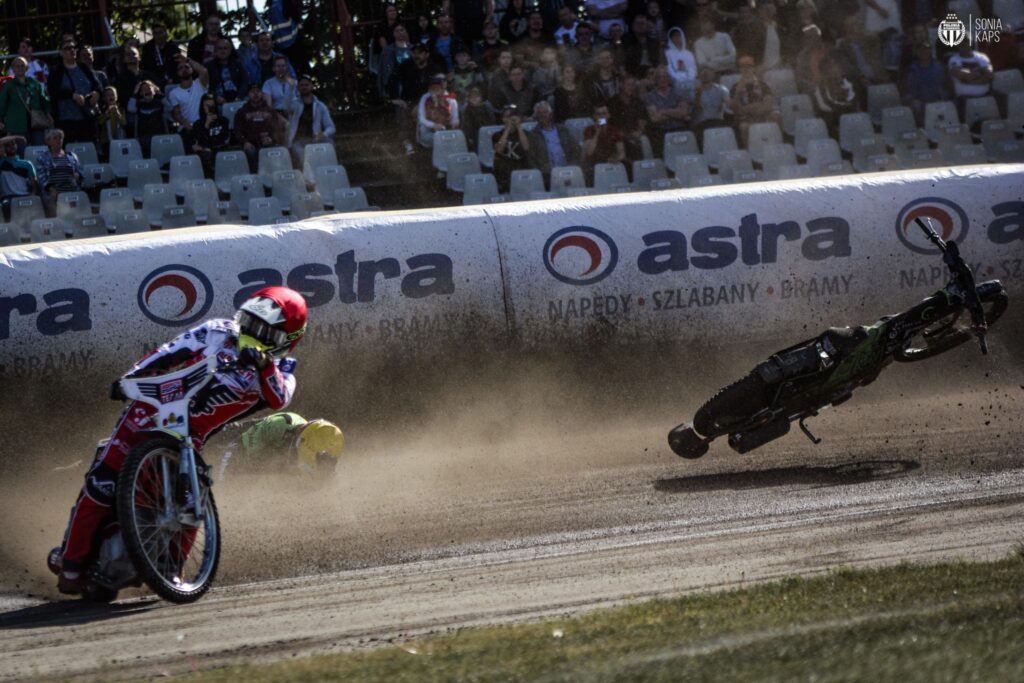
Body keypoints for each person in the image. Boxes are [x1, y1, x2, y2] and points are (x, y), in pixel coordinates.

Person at [48, 286, 308, 595]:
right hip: (148, 412)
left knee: (192, 499)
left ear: (286, 339)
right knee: (101, 484)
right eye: (250, 323)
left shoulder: (282, 371)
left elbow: (279, 399)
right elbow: (168, 352)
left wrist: (263, 365)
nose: (251, 332)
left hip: (189, 436)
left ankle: (173, 569)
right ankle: (71, 562)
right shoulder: (217, 330)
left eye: (264, 331)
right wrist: (131, 377)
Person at [216, 413, 345, 479]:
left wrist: (324, 468)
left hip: (257, 447)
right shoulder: (278, 426)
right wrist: (284, 469)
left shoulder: (309, 435)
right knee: (224, 481)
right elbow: (253, 457)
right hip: (237, 447)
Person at [48, 39, 103, 144]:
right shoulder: (56, 71)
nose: (72, 50)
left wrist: (96, 93)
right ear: (61, 52)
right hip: (66, 119)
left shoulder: (84, 67)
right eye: (68, 48)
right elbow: (53, 91)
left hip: (87, 117)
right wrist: (72, 95)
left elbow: (97, 85)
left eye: (74, 48)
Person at [0, 56, 52, 149]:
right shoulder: (9, 85)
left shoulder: (34, 83)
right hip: (16, 124)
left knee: (39, 149)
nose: (20, 68)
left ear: (27, 68)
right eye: (17, 66)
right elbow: (2, 103)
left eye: (22, 66)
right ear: (13, 69)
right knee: (21, 151)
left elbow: (44, 99)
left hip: (36, 123)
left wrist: (48, 114)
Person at [286, 75, 336, 167]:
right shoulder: (295, 104)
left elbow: (331, 127)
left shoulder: (320, 106)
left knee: (329, 142)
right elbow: (287, 105)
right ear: (298, 88)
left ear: (312, 86)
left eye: (307, 85)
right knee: (303, 157)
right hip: (298, 141)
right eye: (301, 85)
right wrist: (291, 87)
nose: (304, 87)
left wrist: (324, 134)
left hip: (314, 139)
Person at [526, 100, 581, 181]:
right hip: (546, 175)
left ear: (551, 114)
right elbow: (531, 158)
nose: (542, 115)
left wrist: (572, 166)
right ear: (537, 116)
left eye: (545, 112)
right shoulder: (533, 135)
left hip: (567, 171)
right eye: (539, 113)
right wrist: (540, 174)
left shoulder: (563, 130)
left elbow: (576, 148)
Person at [36, 128, 84, 217]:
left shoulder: (72, 156)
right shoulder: (42, 158)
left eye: (60, 138)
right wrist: (51, 189)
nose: (59, 140)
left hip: (71, 192)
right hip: (53, 193)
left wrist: (78, 175)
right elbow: (41, 177)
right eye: (55, 138)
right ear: (48, 142)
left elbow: (80, 171)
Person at [235, 82, 281, 170]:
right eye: (252, 92)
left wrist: (271, 138)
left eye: (258, 91)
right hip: (250, 143)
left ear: (262, 93)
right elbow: (237, 130)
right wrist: (245, 142)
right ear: (248, 94)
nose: (255, 94)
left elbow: (276, 128)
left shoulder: (270, 111)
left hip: (267, 142)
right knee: (251, 153)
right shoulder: (241, 112)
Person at [166, 55, 210, 146]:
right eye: (180, 68)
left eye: (186, 67)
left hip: (205, 125)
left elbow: (204, 71)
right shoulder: (173, 93)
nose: (184, 69)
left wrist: (187, 60)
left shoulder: (200, 84)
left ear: (192, 69)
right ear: (177, 73)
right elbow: (177, 115)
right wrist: (188, 126)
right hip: (187, 129)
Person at [581, 102, 625, 183]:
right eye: (598, 114)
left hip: (610, 161)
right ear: (594, 117)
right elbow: (589, 152)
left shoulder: (614, 130)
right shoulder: (588, 130)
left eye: (604, 113)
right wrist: (597, 132)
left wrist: (617, 159)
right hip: (594, 163)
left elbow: (621, 153)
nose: (601, 116)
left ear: (608, 115)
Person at [491, 104, 531, 192]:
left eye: (513, 116)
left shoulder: (525, 133)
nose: (511, 119)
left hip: (521, 167)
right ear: (503, 119)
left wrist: (519, 127)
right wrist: (508, 129)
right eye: (508, 116)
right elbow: (499, 149)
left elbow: (526, 147)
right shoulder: (497, 135)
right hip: (504, 169)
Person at [192, 93, 232, 176]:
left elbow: (224, 138)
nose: (209, 108)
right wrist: (206, 125)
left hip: (220, 149)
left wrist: (210, 145)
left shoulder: (224, 121)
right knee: (205, 154)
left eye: (212, 106)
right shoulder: (197, 124)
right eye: (207, 106)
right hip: (206, 152)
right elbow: (199, 141)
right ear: (202, 107)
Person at [0, 134, 38, 222]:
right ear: (4, 148)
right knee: (5, 206)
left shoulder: (27, 163)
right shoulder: (1, 162)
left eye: (13, 143)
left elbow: (34, 183)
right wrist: (17, 137)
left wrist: (33, 195)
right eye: (8, 145)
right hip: (8, 198)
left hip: (25, 196)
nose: (11, 146)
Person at [417, 74, 460, 147]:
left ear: (442, 89)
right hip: (430, 129)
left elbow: (455, 119)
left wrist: (454, 123)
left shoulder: (451, 99)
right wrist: (433, 125)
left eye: (437, 88)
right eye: (432, 89)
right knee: (428, 135)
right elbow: (422, 119)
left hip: (446, 128)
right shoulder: (425, 97)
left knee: (451, 137)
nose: (435, 91)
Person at [128, 80, 168, 158]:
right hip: (144, 136)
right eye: (143, 89)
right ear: (141, 93)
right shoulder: (139, 104)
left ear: (154, 91)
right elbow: (130, 108)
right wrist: (134, 94)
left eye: (149, 88)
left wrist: (160, 94)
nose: (146, 90)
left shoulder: (159, 103)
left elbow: (169, 107)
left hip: (159, 135)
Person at [206, 38, 251, 105]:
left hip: (238, 98)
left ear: (230, 50)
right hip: (218, 102)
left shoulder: (238, 64)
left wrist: (239, 97)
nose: (222, 51)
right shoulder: (209, 66)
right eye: (220, 48)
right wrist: (216, 97)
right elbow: (206, 86)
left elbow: (245, 81)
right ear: (215, 50)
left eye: (225, 48)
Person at [141, 22, 179, 90]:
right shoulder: (148, 48)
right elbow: (146, 67)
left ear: (165, 33)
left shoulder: (172, 47)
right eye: (155, 33)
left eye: (160, 32)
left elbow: (177, 65)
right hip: (155, 82)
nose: (158, 36)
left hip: (172, 80)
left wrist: (173, 78)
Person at [665, 27, 698, 100]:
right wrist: (679, 78)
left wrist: (689, 79)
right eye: (674, 36)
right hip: (675, 81)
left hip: (690, 80)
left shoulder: (689, 53)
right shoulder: (668, 53)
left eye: (678, 35)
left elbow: (693, 68)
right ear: (671, 38)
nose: (676, 38)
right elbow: (669, 69)